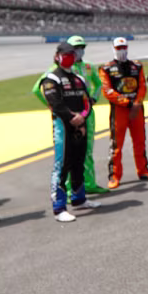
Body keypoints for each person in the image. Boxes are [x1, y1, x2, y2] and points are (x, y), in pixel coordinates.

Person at [41, 41, 100, 223]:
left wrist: (82, 117)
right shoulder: (51, 78)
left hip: (80, 125)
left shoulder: (78, 79)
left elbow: (87, 101)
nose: (69, 57)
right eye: (66, 54)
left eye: (72, 54)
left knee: (78, 162)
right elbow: (55, 103)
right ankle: (59, 208)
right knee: (62, 166)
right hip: (63, 127)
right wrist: (72, 118)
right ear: (57, 56)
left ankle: (79, 198)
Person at [98, 37, 148, 187]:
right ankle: (114, 176)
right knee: (116, 145)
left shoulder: (136, 66)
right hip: (119, 110)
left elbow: (142, 86)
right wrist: (128, 103)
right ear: (113, 49)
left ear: (128, 48)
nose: (121, 51)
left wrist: (137, 103)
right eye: (118, 48)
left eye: (123, 47)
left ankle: (143, 170)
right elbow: (107, 91)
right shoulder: (106, 68)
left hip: (137, 109)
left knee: (140, 141)